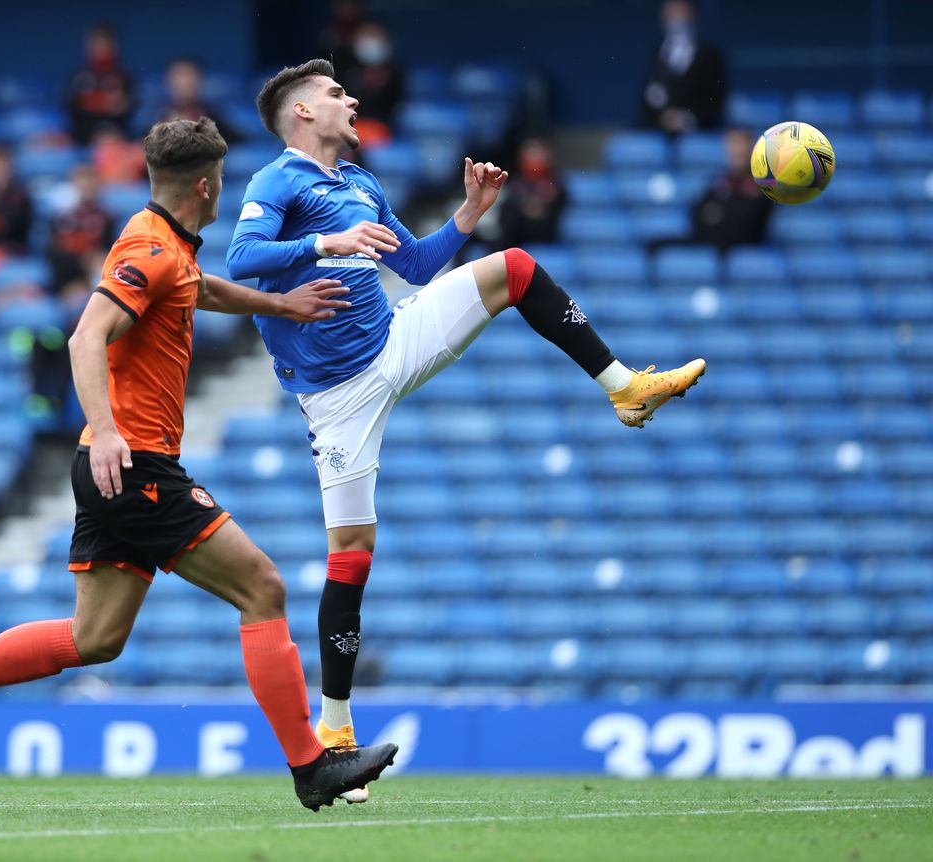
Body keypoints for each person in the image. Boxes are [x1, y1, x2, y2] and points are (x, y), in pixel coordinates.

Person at [228, 59, 706, 802]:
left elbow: (416, 267)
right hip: (335, 396)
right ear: (300, 115)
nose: (350, 99)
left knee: (511, 267)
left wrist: (468, 213)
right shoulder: (278, 183)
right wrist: (328, 246)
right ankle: (337, 727)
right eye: (334, 93)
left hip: (391, 340)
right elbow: (240, 259)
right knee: (351, 551)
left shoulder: (361, 182)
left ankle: (626, 388)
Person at [0, 117, 397, 810]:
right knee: (263, 588)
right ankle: (312, 765)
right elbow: (86, 335)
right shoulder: (152, 249)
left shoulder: (167, 247)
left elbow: (201, 289)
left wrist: (281, 303)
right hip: (133, 466)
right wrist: (103, 429)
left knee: (95, 639)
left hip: (113, 468)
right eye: (223, 183)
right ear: (207, 185)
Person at [638, 0, 726, 134]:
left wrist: (688, 118)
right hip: (660, 134)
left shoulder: (710, 56)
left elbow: (716, 100)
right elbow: (647, 100)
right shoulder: (657, 54)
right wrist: (663, 118)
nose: (676, 18)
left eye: (681, 11)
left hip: (700, 133)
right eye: (671, 12)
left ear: (693, 16)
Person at [687, 129, 773, 251]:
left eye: (741, 144)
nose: (737, 150)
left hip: (743, 250)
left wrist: (717, 214)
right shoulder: (717, 182)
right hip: (709, 245)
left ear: (751, 148)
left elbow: (746, 224)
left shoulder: (763, 185)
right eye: (732, 144)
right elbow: (699, 216)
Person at [47, 164, 116, 302]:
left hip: (97, 280)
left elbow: (111, 252)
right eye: (82, 182)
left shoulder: (107, 218)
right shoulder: (61, 219)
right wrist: (82, 262)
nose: (86, 187)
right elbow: (54, 253)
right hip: (67, 283)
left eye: (90, 182)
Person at [336, 21, 404, 145]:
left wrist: (379, 86)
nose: (370, 42)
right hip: (348, 126)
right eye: (366, 36)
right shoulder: (345, 67)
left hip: (382, 128)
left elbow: (396, 105)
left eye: (374, 36)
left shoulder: (394, 71)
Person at [66, 23, 135, 146]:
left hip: (117, 139)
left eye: (105, 44)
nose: (101, 49)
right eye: (96, 44)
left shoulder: (125, 79)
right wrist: (104, 102)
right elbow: (70, 110)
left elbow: (128, 110)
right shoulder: (76, 78)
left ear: (114, 46)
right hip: (84, 141)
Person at [497, 137, 568, 248]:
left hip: (547, 235)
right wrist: (524, 206)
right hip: (516, 237)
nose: (534, 159)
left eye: (537, 154)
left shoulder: (557, 183)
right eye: (530, 153)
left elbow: (559, 210)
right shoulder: (514, 181)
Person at [156, 58, 240, 144]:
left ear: (200, 80)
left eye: (189, 76)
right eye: (177, 75)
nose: (182, 83)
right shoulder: (153, 116)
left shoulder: (214, 118)